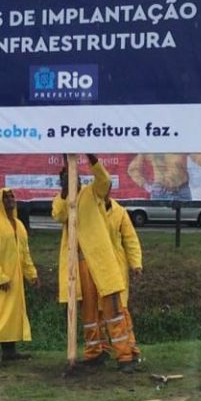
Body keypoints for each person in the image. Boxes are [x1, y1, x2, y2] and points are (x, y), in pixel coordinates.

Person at [52, 154, 135, 371]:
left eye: (72, 177)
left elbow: (104, 181)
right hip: (79, 265)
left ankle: (124, 356)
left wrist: (91, 158)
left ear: (80, 178)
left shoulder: (92, 192)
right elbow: (58, 215)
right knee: (88, 312)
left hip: (101, 261)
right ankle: (93, 352)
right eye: (65, 178)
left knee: (113, 307)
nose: (70, 180)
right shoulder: (62, 199)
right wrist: (64, 191)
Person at [0, 188, 39, 367]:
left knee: (12, 315)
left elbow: (24, 253)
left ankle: (9, 351)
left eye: (11, 197)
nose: (10, 200)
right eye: (5, 198)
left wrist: (32, 275)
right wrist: (0, 277)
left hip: (15, 279)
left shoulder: (19, 225)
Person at [104, 195, 144, 364]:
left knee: (120, 311)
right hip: (96, 269)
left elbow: (130, 239)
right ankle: (102, 351)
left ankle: (129, 350)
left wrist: (136, 264)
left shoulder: (120, 212)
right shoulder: (91, 210)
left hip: (117, 270)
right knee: (99, 314)